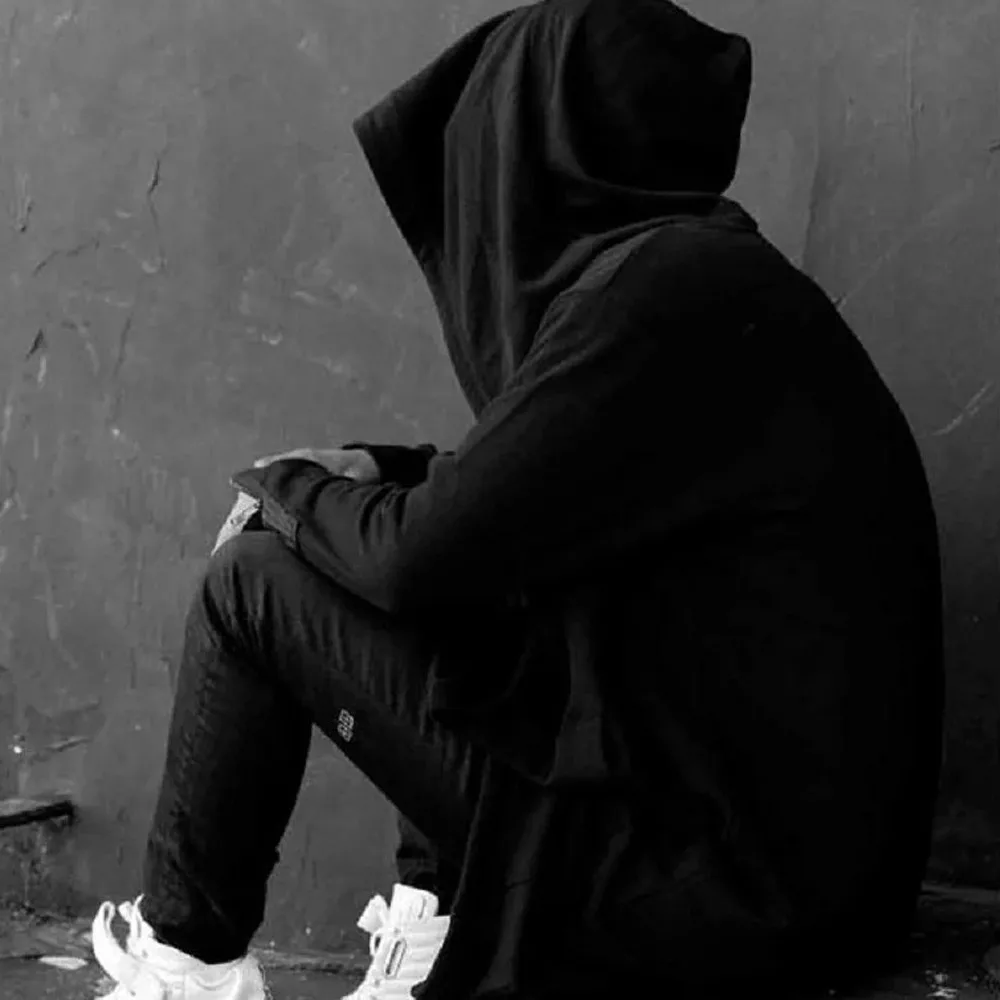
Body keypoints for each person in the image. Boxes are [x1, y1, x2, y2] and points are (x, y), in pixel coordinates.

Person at [90, 1, 945, 998]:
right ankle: (429, 933)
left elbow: (421, 558)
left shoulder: (664, 290)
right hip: (773, 877)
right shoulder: (710, 279)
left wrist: (283, 491)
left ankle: (182, 967)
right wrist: (373, 468)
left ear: (542, 140)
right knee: (451, 584)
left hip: (715, 892)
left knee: (253, 582)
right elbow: (527, 493)